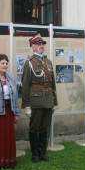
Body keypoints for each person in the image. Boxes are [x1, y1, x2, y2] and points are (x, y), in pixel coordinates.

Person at [21, 33, 58, 163]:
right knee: (34, 128)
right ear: (33, 47)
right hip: (35, 101)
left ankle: (43, 152)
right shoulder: (29, 63)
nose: (41, 46)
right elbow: (25, 86)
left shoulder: (48, 63)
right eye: (38, 44)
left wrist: (54, 102)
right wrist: (26, 105)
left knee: (44, 128)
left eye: (42, 44)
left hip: (48, 100)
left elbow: (52, 83)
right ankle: (35, 154)